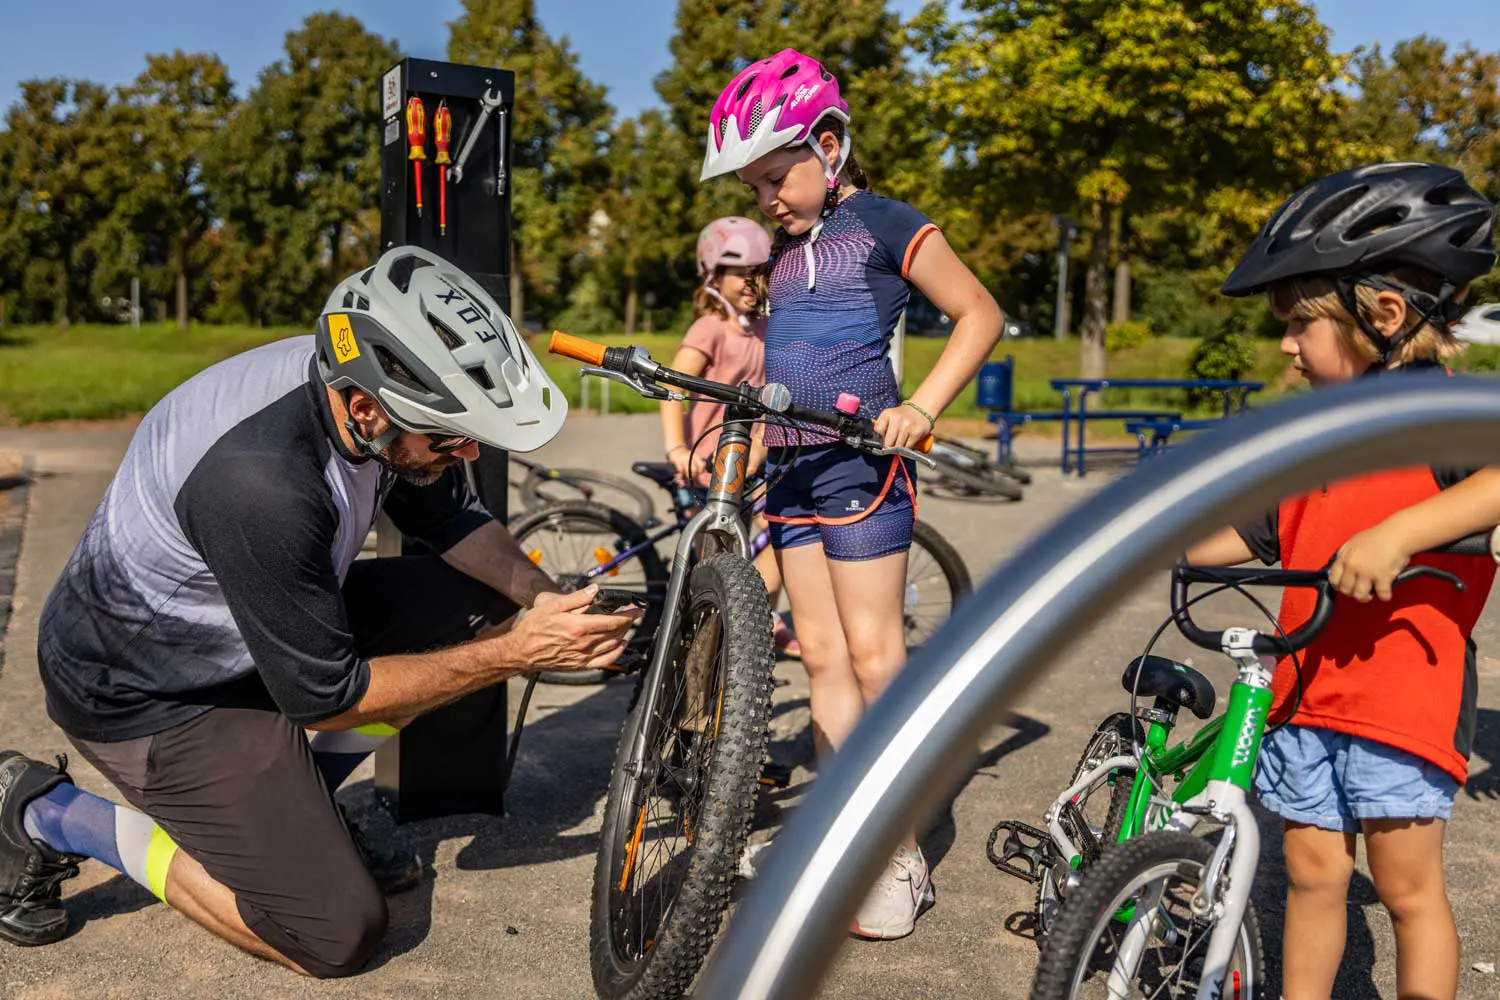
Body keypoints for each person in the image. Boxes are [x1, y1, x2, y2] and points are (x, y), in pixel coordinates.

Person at [0, 247, 640, 976]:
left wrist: (544, 602)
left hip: (244, 636)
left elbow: (454, 524)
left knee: (489, 605)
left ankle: (293, 809)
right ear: (366, 407)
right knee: (334, 930)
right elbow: (326, 696)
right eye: (451, 439)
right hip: (144, 695)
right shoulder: (261, 486)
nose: (464, 455)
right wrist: (518, 654)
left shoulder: (363, 395)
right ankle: (45, 809)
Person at [700, 49, 1004, 939]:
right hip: (790, 466)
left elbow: (978, 312)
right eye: (753, 186)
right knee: (823, 659)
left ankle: (900, 853)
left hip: (863, 468)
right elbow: (779, 361)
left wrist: (920, 405)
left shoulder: (880, 223)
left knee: (877, 660)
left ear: (828, 146)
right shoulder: (786, 256)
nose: (766, 200)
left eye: (774, 177)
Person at [1186, 161, 1499, 1000]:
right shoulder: (1316, 436)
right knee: (1314, 875)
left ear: (1384, 314)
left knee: (1406, 891)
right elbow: (1252, 534)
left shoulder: (1445, 416)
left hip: (1402, 701)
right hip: (1303, 690)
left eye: (1300, 324)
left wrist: (1399, 530)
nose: (1286, 344)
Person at [658, 216, 799, 656]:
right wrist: (677, 448)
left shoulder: (765, 330)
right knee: (714, 564)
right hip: (708, 465)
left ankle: (755, 623)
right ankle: (712, 642)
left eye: (760, 273)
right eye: (741, 272)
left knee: (783, 536)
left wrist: (762, 444)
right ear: (713, 272)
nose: (751, 283)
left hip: (753, 461)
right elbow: (672, 388)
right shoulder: (710, 328)